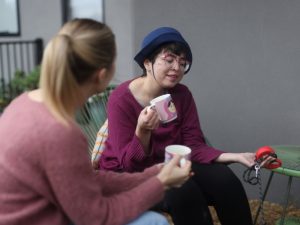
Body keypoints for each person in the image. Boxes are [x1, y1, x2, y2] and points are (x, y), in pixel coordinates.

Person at [0, 20, 192, 225]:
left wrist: (153, 174)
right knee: (155, 222)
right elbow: (97, 218)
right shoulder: (60, 132)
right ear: (102, 75)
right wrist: (160, 183)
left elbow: (85, 179)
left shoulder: (22, 102)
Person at [99, 27, 256, 225]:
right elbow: (129, 164)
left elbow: (194, 145)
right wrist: (143, 131)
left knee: (225, 181)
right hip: (127, 174)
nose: (177, 68)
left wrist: (235, 156)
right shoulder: (121, 99)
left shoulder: (182, 95)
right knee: (184, 190)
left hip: (170, 162)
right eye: (169, 59)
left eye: (183, 63)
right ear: (148, 63)